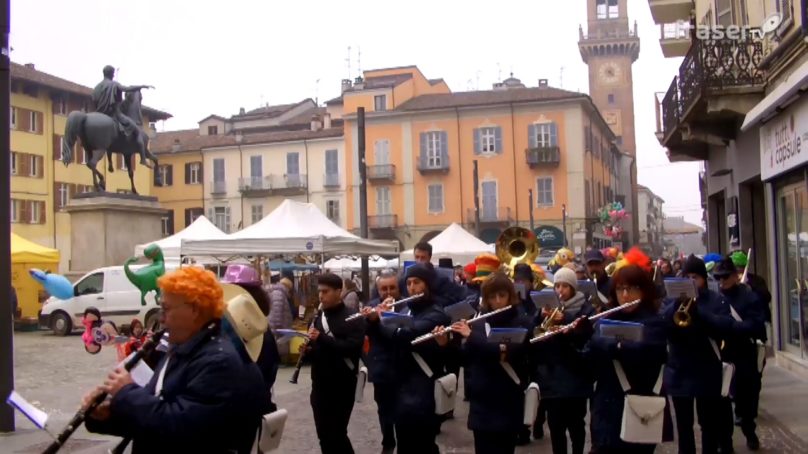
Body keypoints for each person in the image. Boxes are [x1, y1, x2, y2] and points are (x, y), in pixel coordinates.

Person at [82, 267, 269, 453]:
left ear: (194, 309)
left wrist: (126, 392)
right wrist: (106, 416)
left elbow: (179, 427)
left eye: (166, 309)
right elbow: (151, 416)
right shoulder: (182, 349)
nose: (161, 318)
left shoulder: (218, 361)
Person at [580, 254, 668, 454]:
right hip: (605, 411)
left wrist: (612, 346)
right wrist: (580, 335)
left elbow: (646, 353)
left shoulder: (654, 322)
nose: (625, 295)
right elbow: (587, 363)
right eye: (620, 289)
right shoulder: (605, 321)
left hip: (638, 409)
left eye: (632, 288)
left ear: (643, 291)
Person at [437, 272, 533, 454]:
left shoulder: (521, 322)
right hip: (482, 402)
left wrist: (471, 336)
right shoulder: (479, 323)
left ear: (510, 296)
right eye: (492, 297)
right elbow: (466, 359)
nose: (497, 301)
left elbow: (504, 353)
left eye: (502, 296)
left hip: (508, 400)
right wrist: (446, 345)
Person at [363, 263, 450, 454]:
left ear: (427, 285)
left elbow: (406, 336)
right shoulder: (405, 310)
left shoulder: (436, 313)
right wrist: (371, 321)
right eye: (409, 283)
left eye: (417, 282)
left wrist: (381, 319)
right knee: (404, 443)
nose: (412, 287)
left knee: (423, 444)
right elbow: (384, 340)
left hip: (422, 387)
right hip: (400, 385)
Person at [663, 255, 732, 454]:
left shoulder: (715, 299)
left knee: (709, 424)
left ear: (703, 278)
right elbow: (663, 324)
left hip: (706, 369)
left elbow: (726, 326)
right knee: (684, 427)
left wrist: (699, 313)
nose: (692, 281)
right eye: (688, 276)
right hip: (679, 370)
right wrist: (676, 307)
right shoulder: (673, 300)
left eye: (696, 277)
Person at [531, 266, 594, 454]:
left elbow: (586, 332)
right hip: (552, 375)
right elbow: (534, 335)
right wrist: (538, 317)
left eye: (565, 286)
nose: (560, 290)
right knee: (555, 425)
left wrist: (565, 318)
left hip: (576, 374)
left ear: (573, 287)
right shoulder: (549, 308)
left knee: (576, 424)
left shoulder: (585, 307)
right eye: (557, 286)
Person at [304, 273, 365, 454]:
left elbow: (352, 348)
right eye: (320, 292)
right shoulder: (317, 317)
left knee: (337, 432)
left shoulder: (353, 317)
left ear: (339, 291)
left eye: (326, 291)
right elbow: (318, 350)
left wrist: (321, 338)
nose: (321, 296)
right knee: (323, 434)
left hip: (342, 384)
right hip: (320, 384)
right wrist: (307, 352)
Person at [712, 258, 767, 451]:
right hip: (722, 354)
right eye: (717, 277)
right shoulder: (714, 297)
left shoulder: (749, 296)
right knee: (722, 400)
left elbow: (757, 324)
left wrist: (732, 326)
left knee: (746, 400)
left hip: (744, 353)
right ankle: (724, 442)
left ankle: (749, 430)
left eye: (725, 277)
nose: (721, 281)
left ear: (735, 276)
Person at [364, 270, 403, 453]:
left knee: (402, 409)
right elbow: (362, 333)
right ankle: (388, 442)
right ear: (378, 290)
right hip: (381, 366)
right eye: (383, 289)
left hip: (403, 366)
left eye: (392, 288)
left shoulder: (407, 306)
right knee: (384, 409)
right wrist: (370, 320)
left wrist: (382, 320)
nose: (388, 293)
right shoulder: (372, 306)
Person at [92, 65, 151, 163]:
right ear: (111, 74)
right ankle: (143, 158)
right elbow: (127, 89)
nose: (114, 75)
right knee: (137, 130)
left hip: (100, 114)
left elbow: (93, 99)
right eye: (113, 73)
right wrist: (141, 86)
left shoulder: (96, 87)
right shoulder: (114, 84)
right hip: (115, 114)